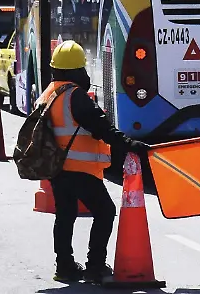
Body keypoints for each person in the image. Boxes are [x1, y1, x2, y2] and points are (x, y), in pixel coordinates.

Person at [39, 41, 149, 283]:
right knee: (105, 211)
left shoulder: (49, 93)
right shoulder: (75, 96)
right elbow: (102, 128)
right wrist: (132, 145)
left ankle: (64, 266)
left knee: (65, 214)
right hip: (80, 168)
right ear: (77, 70)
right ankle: (95, 265)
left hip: (57, 168)